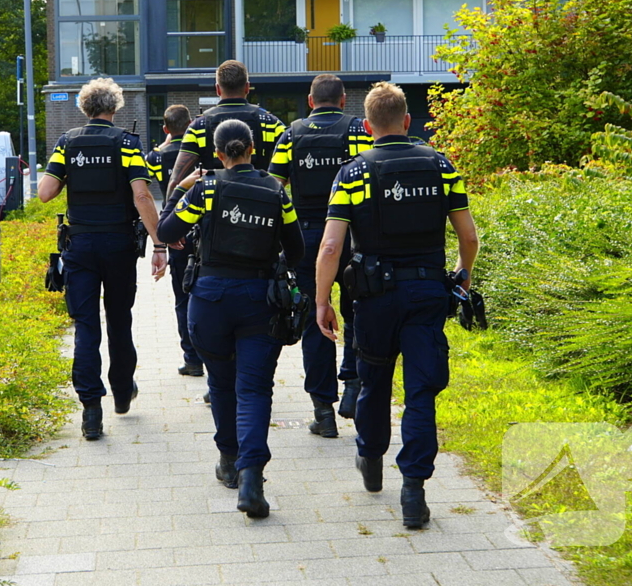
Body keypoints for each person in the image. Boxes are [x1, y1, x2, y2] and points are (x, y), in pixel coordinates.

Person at [314, 82, 479, 529]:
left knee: (373, 381)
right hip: (427, 295)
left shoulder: (353, 173)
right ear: (408, 121)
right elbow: (468, 236)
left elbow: (331, 247)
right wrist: (463, 275)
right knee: (421, 391)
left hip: (374, 298)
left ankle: (370, 459)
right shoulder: (441, 166)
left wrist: (321, 301)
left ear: (367, 127)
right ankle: (414, 491)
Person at [157, 119, 304, 519]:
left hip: (210, 299)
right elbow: (296, 251)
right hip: (259, 300)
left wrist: (180, 189)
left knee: (220, 382)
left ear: (219, 154)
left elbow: (168, 230)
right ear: (253, 149)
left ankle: (227, 459)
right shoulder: (276, 192)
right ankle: (252, 478)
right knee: (255, 389)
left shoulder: (206, 188)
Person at [38, 78, 168, 441]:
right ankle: (123, 392)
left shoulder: (67, 143)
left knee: (85, 325)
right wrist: (160, 244)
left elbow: (46, 193)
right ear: (114, 108)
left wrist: (70, 176)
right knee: (119, 319)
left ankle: (91, 410)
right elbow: (142, 197)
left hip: (79, 246)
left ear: (84, 108)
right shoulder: (127, 143)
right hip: (119, 245)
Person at [268, 74, 371, 438]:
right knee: (358, 309)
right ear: (344, 101)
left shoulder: (291, 134)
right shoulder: (359, 129)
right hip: (353, 235)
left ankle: (323, 411)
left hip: (307, 235)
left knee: (315, 317)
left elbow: (274, 187)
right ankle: (354, 385)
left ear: (310, 101)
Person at [166, 60, 286, 199]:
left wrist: (167, 214)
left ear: (217, 89)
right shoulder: (270, 123)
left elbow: (176, 181)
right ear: (247, 87)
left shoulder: (198, 127)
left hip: (214, 211)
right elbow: (290, 167)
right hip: (261, 210)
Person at [146, 105, 204, 377]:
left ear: (166, 129)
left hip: (174, 228)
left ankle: (192, 359)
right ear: (191, 123)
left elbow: (147, 164)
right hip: (201, 229)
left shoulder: (157, 156)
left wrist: (164, 142)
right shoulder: (201, 154)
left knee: (182, 299)